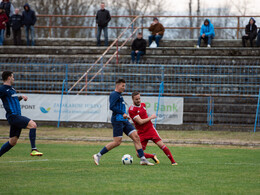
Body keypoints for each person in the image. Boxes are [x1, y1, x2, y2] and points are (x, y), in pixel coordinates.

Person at [93, 79, 154, 166]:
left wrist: (125, 116)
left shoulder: (119, 95)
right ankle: (98, 155)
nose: (124, 88)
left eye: (124, 86)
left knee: (136, 137)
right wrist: (123, 113)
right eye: (123, 86)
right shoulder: (114, 94)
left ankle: (143, 159)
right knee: (117, 142)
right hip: (118, 121)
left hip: (124, 120)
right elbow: (112, 107)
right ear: (117, 85)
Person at [0, 71, 43, 157]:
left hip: (16, 116)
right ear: (8, 77)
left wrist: (21, 97)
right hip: (13, 116)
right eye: (12, 77)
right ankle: (34, 149)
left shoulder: (12, 89)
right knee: (33, 125)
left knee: (12, 142)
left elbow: (13, 101)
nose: (13, 78)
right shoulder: (2, 89)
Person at [128, 91, 178, 166]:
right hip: (141, 133)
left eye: (139, 98)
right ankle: (152, 156)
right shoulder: (132, 110)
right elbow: (140, 122)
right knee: (138, 154)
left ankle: (173, 162)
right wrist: (151, 117)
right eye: (136, 99)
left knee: (161, 145)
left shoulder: (143, 105)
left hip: (150, 130)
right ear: (132, 99)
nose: (138, 101)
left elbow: (143, 116)